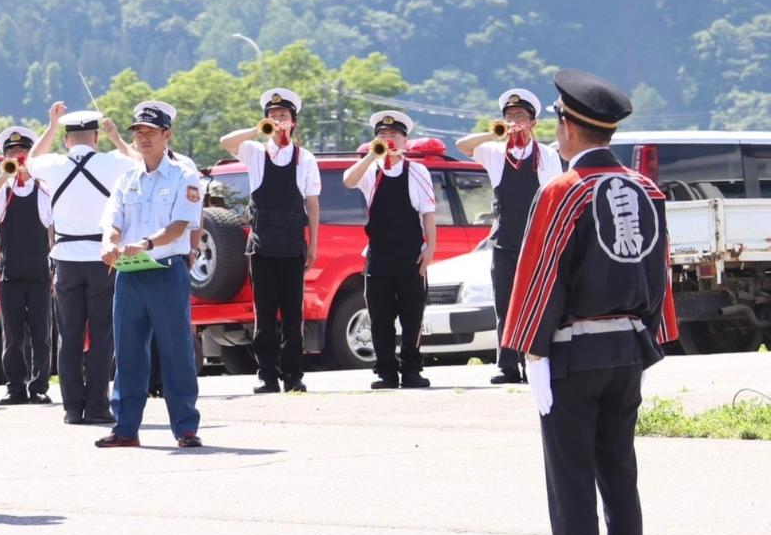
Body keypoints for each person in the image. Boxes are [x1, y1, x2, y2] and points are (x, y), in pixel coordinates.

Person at [504, 70, 676, 535]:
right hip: (627, 349)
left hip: (573, 353)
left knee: (571, 480)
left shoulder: (564, 191)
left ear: (567, 125)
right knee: (620, 476)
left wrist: (530, 350)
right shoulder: (648, 191)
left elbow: (539, 273)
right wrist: (648, 337)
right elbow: (659, 276)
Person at [95, 102, 204, 449]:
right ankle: (126, 427)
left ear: (167, 135)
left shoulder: (184, 176)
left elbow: (178, 228)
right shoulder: (127, 179)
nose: (143, 138)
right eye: (138, 132)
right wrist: (109, 245)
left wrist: (144, 243)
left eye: (150, 132)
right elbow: (112, 223)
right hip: (130, 274)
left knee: (176, 350)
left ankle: (185, 427)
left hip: (166, 270)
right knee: (127, 352)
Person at [26, 104, 136, 426]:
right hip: (103, 259)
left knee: (69, 336)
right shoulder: (111, 162)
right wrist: (117, 138)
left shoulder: (53, 165)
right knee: (103, 336)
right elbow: (139, 159)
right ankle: (99, 406)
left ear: (66, 139)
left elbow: (30, 161)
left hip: (66, 260)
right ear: (96, 137)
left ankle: (72, 408)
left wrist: (49, 126)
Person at [218, 89, 322, 394]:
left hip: (292, 245)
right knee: (264, 314)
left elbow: (312, 204)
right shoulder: (255, 151)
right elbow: (227, 142)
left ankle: (294, 375)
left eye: (284, 116)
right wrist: (259, 128)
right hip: (262, 245)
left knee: (293, 314)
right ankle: (266, 374)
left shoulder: (305, 158)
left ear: (294, 122)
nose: (279, 121)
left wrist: (313, 246)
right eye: (273, 116)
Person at [456, 89, 562, 384]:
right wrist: (494, 133)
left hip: (536, 241)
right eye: (509, 116)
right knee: (505, 304)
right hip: (505, 241)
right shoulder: (496, 152)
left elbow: (552, 197)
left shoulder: (547, 155)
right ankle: (507, 365)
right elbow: (462, 146)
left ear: (533, 123)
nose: (514, 122)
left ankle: (536, 363)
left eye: (520, 117)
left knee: (536, 302)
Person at [342, 110, 438, 389]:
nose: (389, 139)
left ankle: (411, 370)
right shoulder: (370, 172)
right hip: (378, 255)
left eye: (394, 135)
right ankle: (385, 371)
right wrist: (373, 155)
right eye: (383, 135)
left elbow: (428, 213)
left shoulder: (418, 171)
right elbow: (348, 181)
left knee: (412, 317)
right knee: (380, 318)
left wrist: (430, 248)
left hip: (410, 255)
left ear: (406, 140)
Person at [0, 126, 53, 404]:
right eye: (12, 152)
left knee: (41, 334)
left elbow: (52, 231)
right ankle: (15, 387)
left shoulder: (44, 190)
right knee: (12, 335)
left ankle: (39, 386)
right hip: (9, 273)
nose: (17, 156)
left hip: (40, 271)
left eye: (23, 152)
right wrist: (3, 176)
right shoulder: (1, 190)